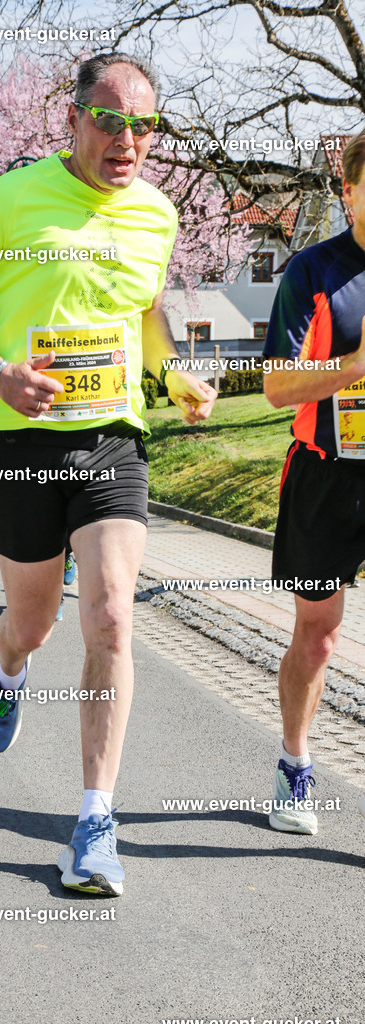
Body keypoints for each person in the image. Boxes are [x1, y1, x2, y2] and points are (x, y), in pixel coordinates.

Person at [0, 52, 216, 895]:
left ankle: (93, 823)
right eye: (110, 121)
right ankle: (8, 665)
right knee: (34, 621)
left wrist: (170, 374)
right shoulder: (12, 199)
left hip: (113, 437)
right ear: (74, 119)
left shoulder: (156, 213)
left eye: (144, 126)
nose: (127, 140)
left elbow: (143, 310)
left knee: (112, 616)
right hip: (23, 443)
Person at [262, 129, 365, 836]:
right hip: (326, 475)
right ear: (349, 191)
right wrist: (355, 365)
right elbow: (275, 385)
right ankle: (294, 764)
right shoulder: (313, 269)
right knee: (318, 635)